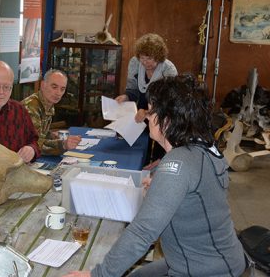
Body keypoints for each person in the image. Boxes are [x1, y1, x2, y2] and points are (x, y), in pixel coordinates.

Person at [63, 75, 246, 277]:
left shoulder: (179, 163)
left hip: (207, 271)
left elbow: (142, 232)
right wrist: (161, 176)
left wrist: (97, 275)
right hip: (214, 259)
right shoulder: (201, 147)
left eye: (151, 111)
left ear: (166, 120)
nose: (148, 117)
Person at [115, 33, 177, 123]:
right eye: (142, 58)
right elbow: (132, 89)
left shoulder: (168, 70)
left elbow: (170, 101)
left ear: (158, 57)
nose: (145, 62)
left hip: (159, 117)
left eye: (149, 58)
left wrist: (148, 112)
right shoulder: (135, 63)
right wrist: (126, 96)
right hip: (139, 115)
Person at [22, 69, 81, 155]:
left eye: (62, 89)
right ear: (43, 85)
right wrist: (63, 145)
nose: (58, 93)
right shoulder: (31, 107)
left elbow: (40, 133)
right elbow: (35, 144)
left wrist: (52, 135)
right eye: (54, 87)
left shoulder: (48, 104)